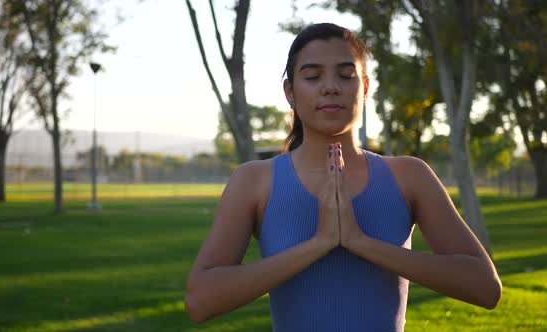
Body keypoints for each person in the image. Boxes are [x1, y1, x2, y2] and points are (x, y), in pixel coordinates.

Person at [184, 23, 501, 331]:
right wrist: (318, 244)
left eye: (346, 74)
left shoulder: (410, 176)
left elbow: (485, 288)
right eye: (312, 76)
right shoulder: (254, 181)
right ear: (290, 92)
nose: (330, 86)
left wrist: (359, 242)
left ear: (364, 88)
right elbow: (200, 300)